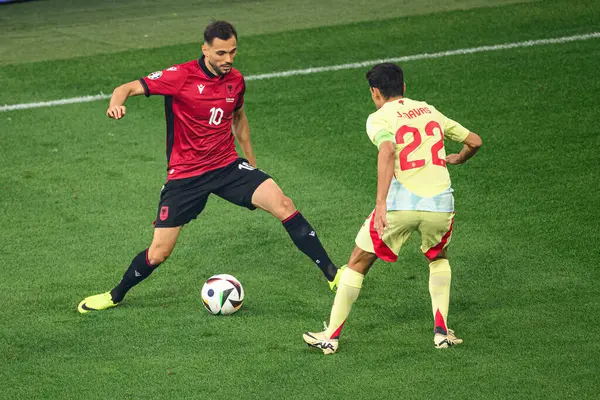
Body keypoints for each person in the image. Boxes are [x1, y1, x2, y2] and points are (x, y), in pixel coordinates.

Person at [78, 21, 340, 313]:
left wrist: (251, 161)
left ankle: (333, 275)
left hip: (226, 166)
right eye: (220, 53)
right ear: (205, 49)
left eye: (232, 52)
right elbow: (125, 88)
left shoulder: (236, 80)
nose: (228, 59)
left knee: (283, 204)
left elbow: (238, 118)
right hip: (186, 176)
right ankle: (115, 295)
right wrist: (117, 104)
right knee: (159, 252)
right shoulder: (180, 76)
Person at [303, 63, 482, 353]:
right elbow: (474, 141)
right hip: (440, 203)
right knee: (438, 256)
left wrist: (381, 203)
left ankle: (330, 336)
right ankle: (441, 332)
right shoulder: (429, 110)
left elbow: (387, 150)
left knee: (358, 261)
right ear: (404, 87)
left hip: (402, 204)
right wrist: (460, 158)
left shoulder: (378, 118)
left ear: (375, 92)